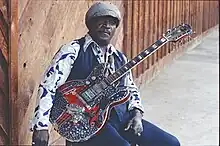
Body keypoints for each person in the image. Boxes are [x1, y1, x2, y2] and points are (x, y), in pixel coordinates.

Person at [30, 2, 180, 146]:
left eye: (111, 23)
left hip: (121, 117)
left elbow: (131, 89)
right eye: (101, 21)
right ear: (90, 24)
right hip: (86, 121)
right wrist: (41, 126)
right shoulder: (73, 50)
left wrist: (137, 115)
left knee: (170, 143)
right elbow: (48, 86)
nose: (106, 26)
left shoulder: (120, 58)